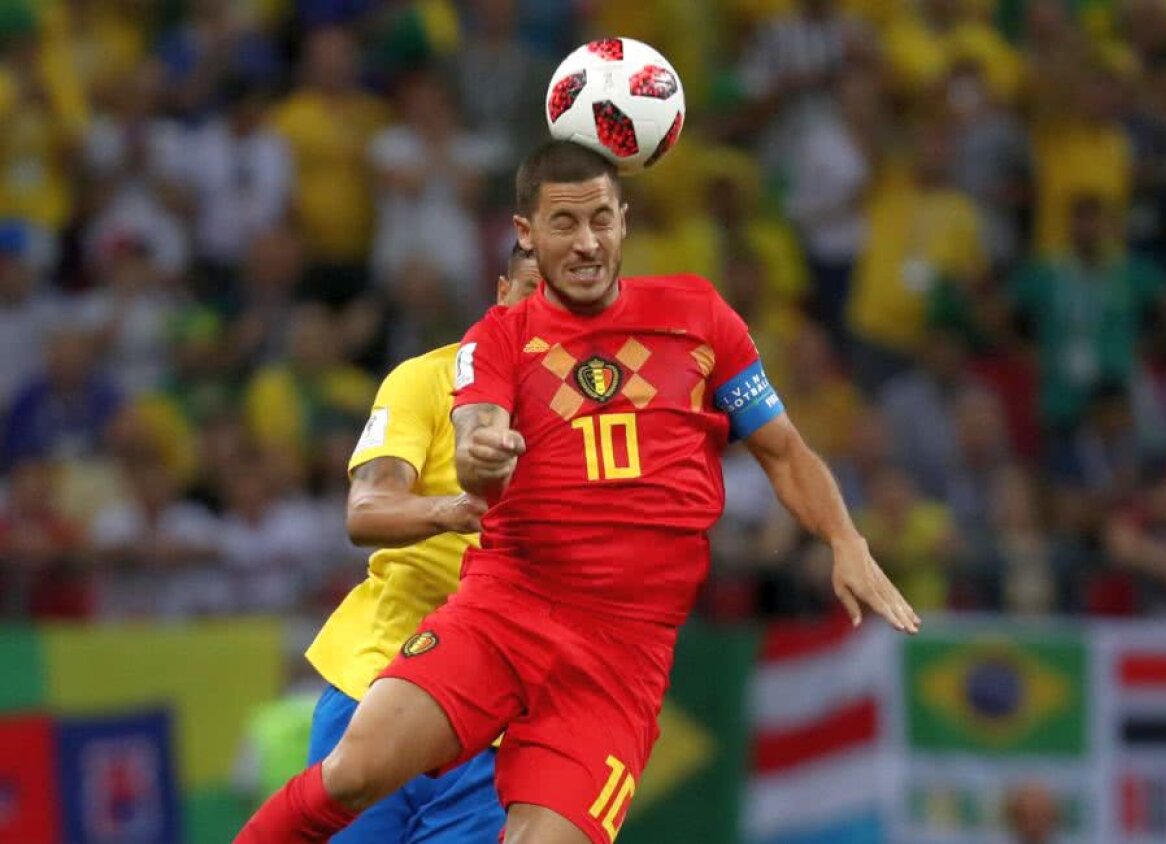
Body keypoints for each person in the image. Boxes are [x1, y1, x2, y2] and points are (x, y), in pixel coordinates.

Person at [237, 141, 919, 844]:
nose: (587, 242)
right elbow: (473, 436)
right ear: (525, 237)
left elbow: (782, 448)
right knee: (352, 776)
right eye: (564, 225)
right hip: (502, 614)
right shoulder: (488, 345)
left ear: (626, 222)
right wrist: (482, 460)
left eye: (601, 220)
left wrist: (846, 540)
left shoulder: (697, 317)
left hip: (620, 656)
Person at [303, 244, 542, 842]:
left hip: (492, 723)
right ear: (502, 292)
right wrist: (456, 511)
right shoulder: (424, 380)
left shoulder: (594, 421)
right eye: (532, 291)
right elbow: (366, 510)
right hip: (375, 687)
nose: (545, 314)